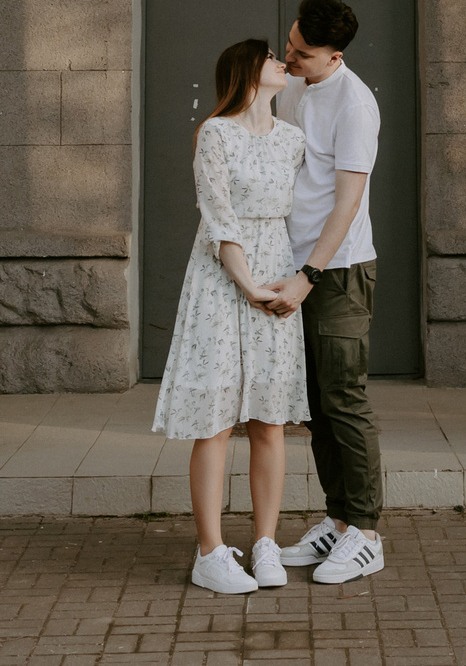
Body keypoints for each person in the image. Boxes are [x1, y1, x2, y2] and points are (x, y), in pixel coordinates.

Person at [149, 38, 310, 595]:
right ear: (247, 71)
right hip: (222, 278)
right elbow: (219, 215)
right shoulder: (214, 133)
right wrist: (246, 285)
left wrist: (290, 284)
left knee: (269, 418)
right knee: (215, 420)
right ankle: (210, 552)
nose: (282, 63)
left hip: (277, 271)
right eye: (272, 58)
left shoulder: (293, 139)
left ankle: (266, 544)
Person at [265, 0, 385, 586]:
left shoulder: (355, 105)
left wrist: (308, 275)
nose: (289, 59)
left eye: (303, 54)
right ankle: (337, 522)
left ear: (334, 56)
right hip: (291, 267)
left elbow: (347, 201)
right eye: (288, 45)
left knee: (344, 397)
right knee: (313, 404)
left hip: (336, 272)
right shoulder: (292, 84)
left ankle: (365, 532)